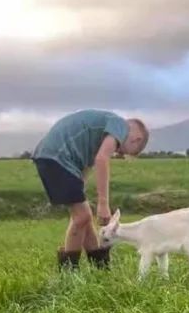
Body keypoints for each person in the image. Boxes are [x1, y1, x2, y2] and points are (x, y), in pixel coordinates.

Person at [31, 110, 149, 270]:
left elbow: (85, 170)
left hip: (53, 157)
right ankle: (68, 273)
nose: (117, 151)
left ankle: (100, 267)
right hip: (57, 157)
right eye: (122, 151)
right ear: (137, 139)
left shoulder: (99, 136)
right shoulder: (120, 125)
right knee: (82, 217)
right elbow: (102, 159)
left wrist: (81, 193)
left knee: (84, 217)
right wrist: (103, 203)